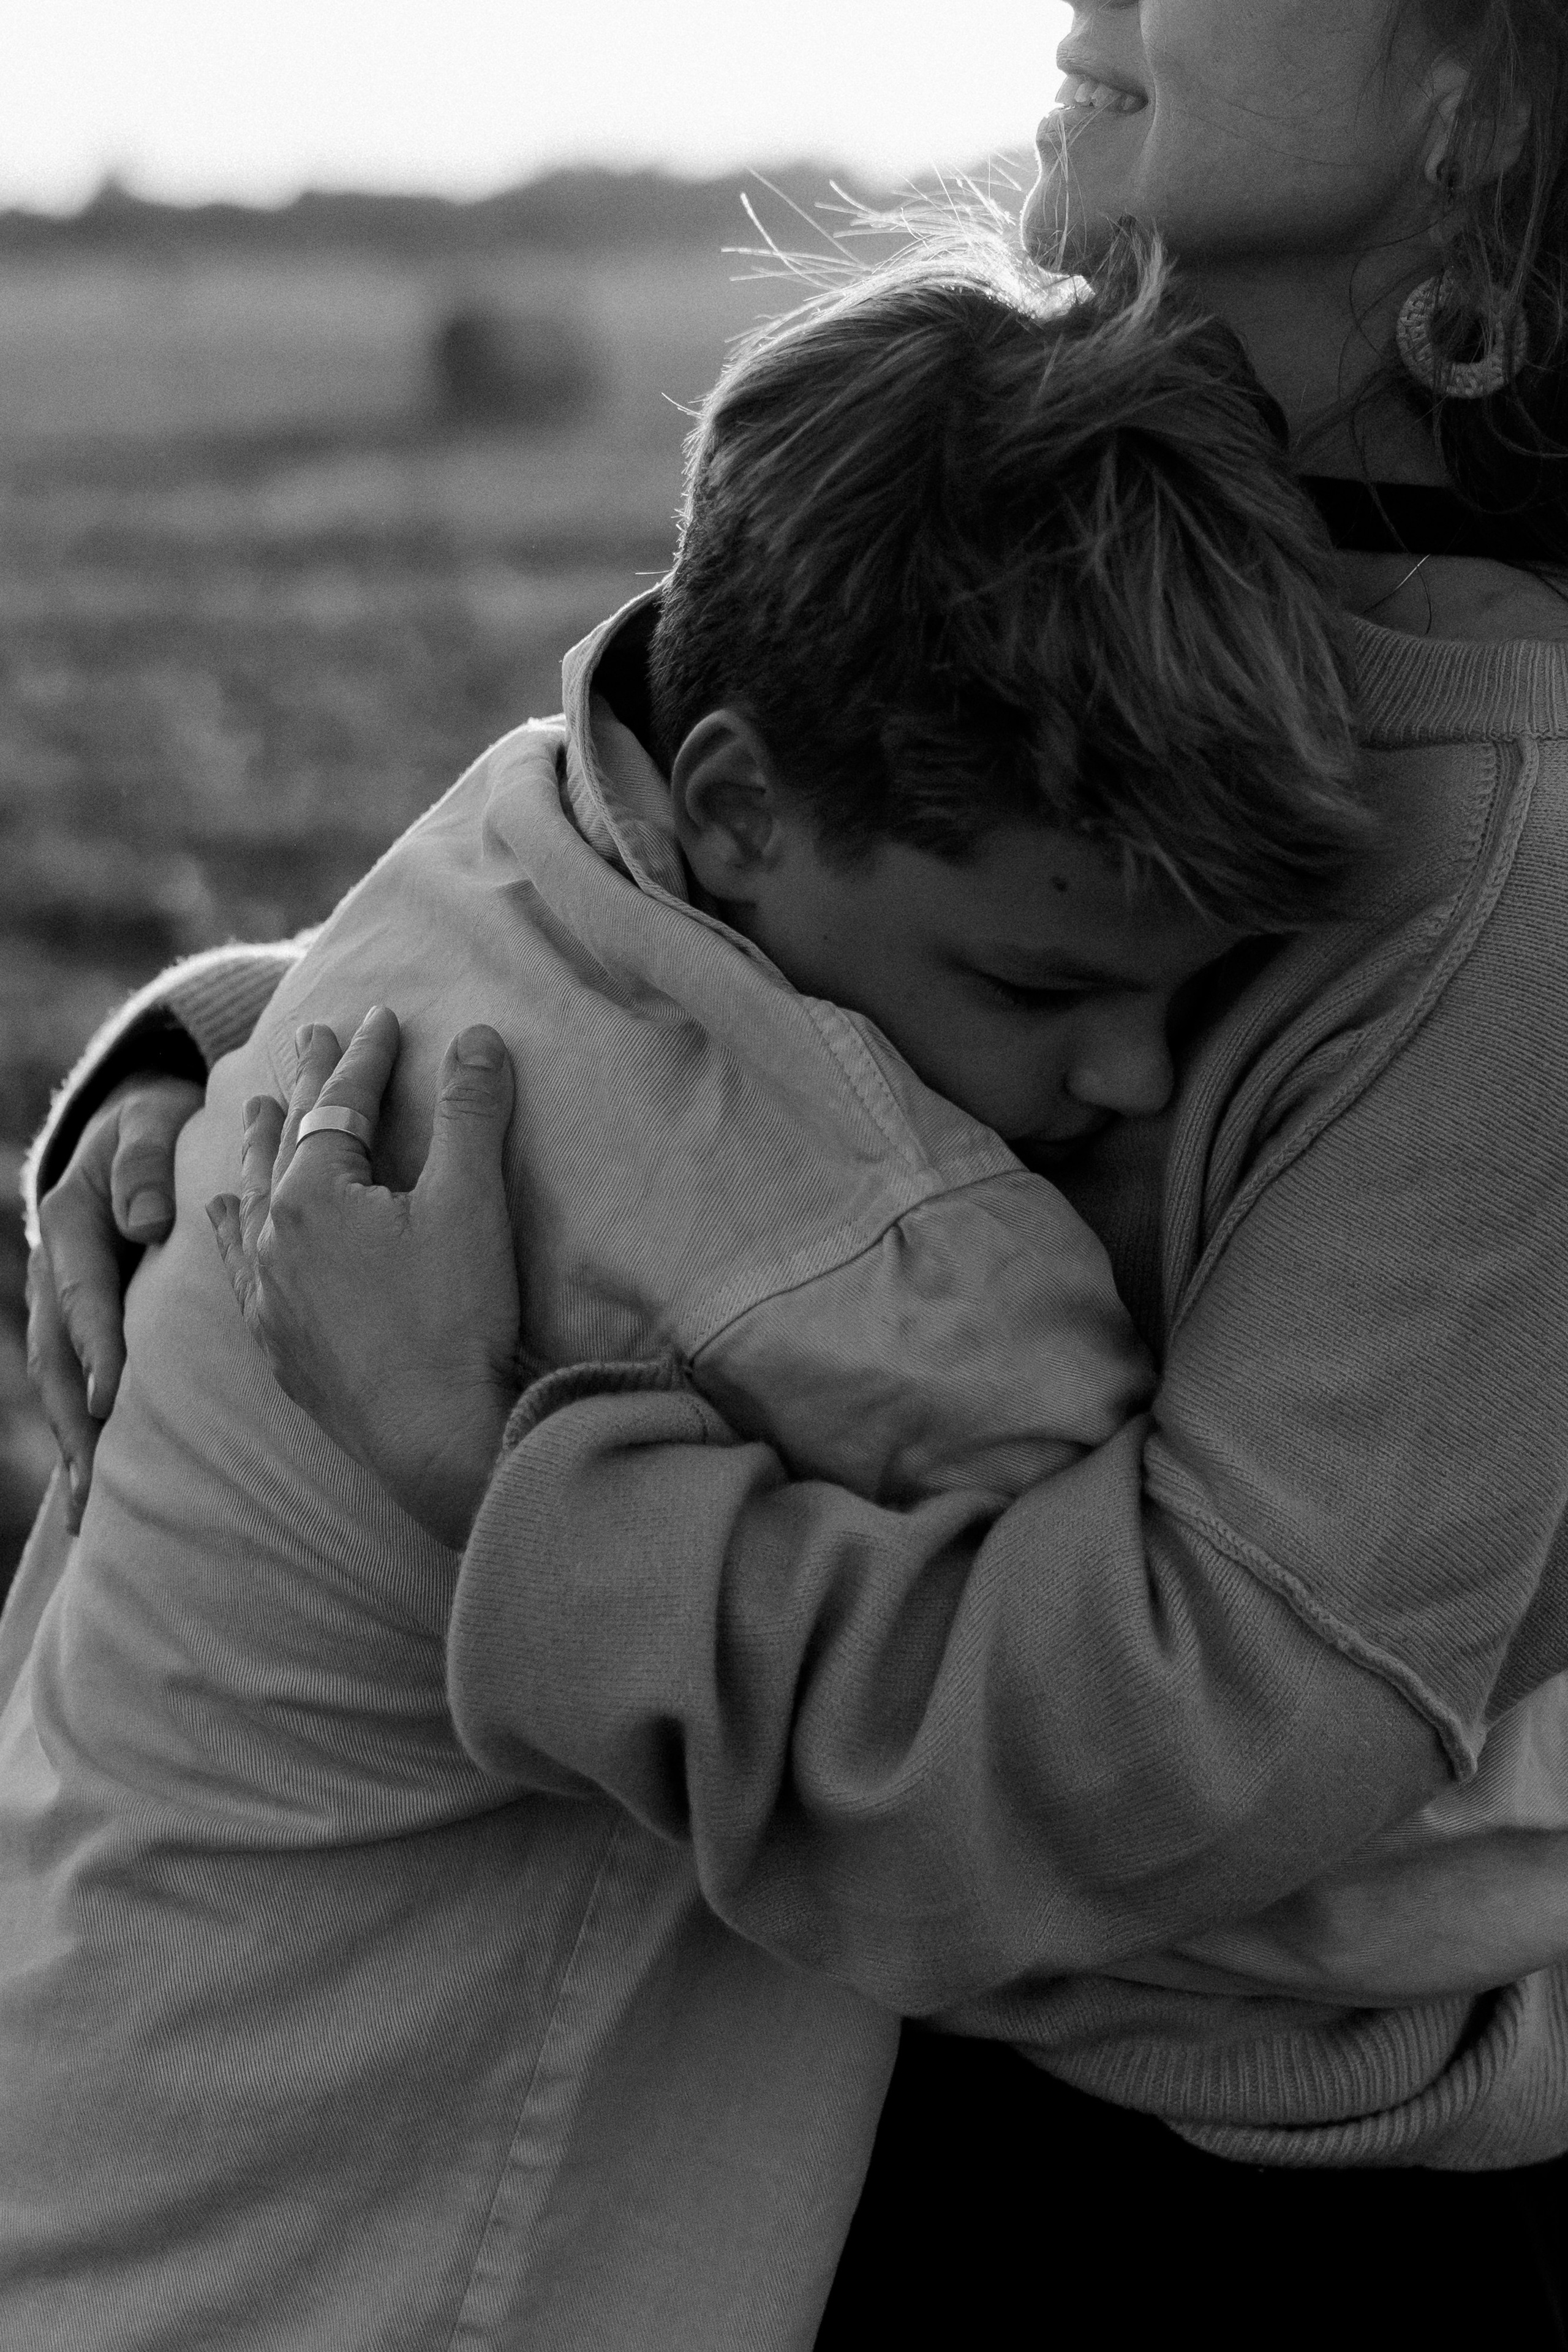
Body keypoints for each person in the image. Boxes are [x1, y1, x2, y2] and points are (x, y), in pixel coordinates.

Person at [18, 0, 1568, 2341]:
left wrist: (485, 1480)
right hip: (784, 2068)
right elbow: (720, 902)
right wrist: (255, 1055)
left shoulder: (1522, 828)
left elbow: (1212, 1775)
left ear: (1493, 87)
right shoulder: (1123, 484)